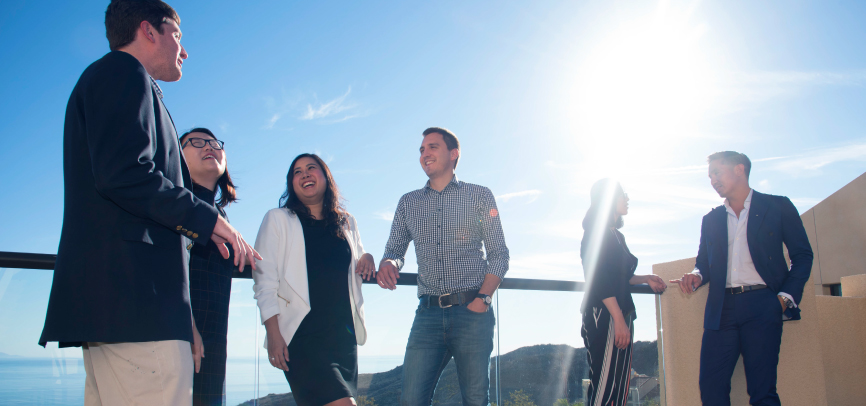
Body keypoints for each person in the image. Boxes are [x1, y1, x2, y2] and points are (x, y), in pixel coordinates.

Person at [38, 2, 260, 405]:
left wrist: (182, 319)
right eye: (177, 35)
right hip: (139, 310)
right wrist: (208, 219)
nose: (184, 49)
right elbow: (125, 174)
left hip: (125, 312)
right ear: (148, 31)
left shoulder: (113, 79)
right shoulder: (122, 72)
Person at [376, 127, 510, 406]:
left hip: (472, 312)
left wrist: (483, 299)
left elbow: (499, 254)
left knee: (475, 400)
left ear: (453, 154)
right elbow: (394, 250)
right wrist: (389, 263)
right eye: (422, 150)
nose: (425, 154)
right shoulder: (408, 202)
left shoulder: (480, 196)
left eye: (432, 147)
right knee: (411, 400)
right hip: (427, 315)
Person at [671, 151, 813, 406]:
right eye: (709, 176)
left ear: (739, 169)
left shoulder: (778, 206)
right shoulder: (711, 219)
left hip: (763, 305)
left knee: (762, 391)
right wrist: (695, 276)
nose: (712, 180)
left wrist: (783, 299)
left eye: (717, 172)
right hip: (721, 310)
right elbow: (703, 263)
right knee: (711, 388)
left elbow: (802, 255)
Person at [253, 153, 375, 406]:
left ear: (325, 177)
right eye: (297, 171)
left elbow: (358, 258)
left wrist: (368, 257)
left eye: (311, 168)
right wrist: (274, 334)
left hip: (342, 336)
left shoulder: (347, 222)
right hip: (301, 336)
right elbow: (264, 282)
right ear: (291, 183)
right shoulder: (277, 219)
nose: (305, 174)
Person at [579, 179, 667, 406]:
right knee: (605, 386)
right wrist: (618, 319)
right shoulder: (595, 233)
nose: (627, 199)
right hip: (605, 314)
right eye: (622, 194)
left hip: (621, 312)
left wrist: (645, 278)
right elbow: (598, 277)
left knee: (619, 386)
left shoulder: (617, 236)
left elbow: (622, 277)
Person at [180, 128, 242, 406]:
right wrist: (185, 324)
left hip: (213, 341)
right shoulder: (175, 205)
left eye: (214, 143)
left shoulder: (220, 216)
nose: (208, 146)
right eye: (195, 142)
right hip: (179, 337)